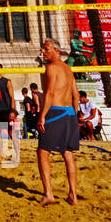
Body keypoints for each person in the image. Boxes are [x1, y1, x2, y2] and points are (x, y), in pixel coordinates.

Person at [36, 39, 79, 206]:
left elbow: (50, 93)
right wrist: (73, 115)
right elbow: (75, 94)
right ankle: (73, 195)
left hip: (55, 111)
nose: (43, 51)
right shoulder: (68, 69)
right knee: (67, 153)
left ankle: (48, 194)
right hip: (69, 112)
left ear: (56, 51)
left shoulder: (51, 68)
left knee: (43, 152)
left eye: (46, 49)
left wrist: (42, 115)